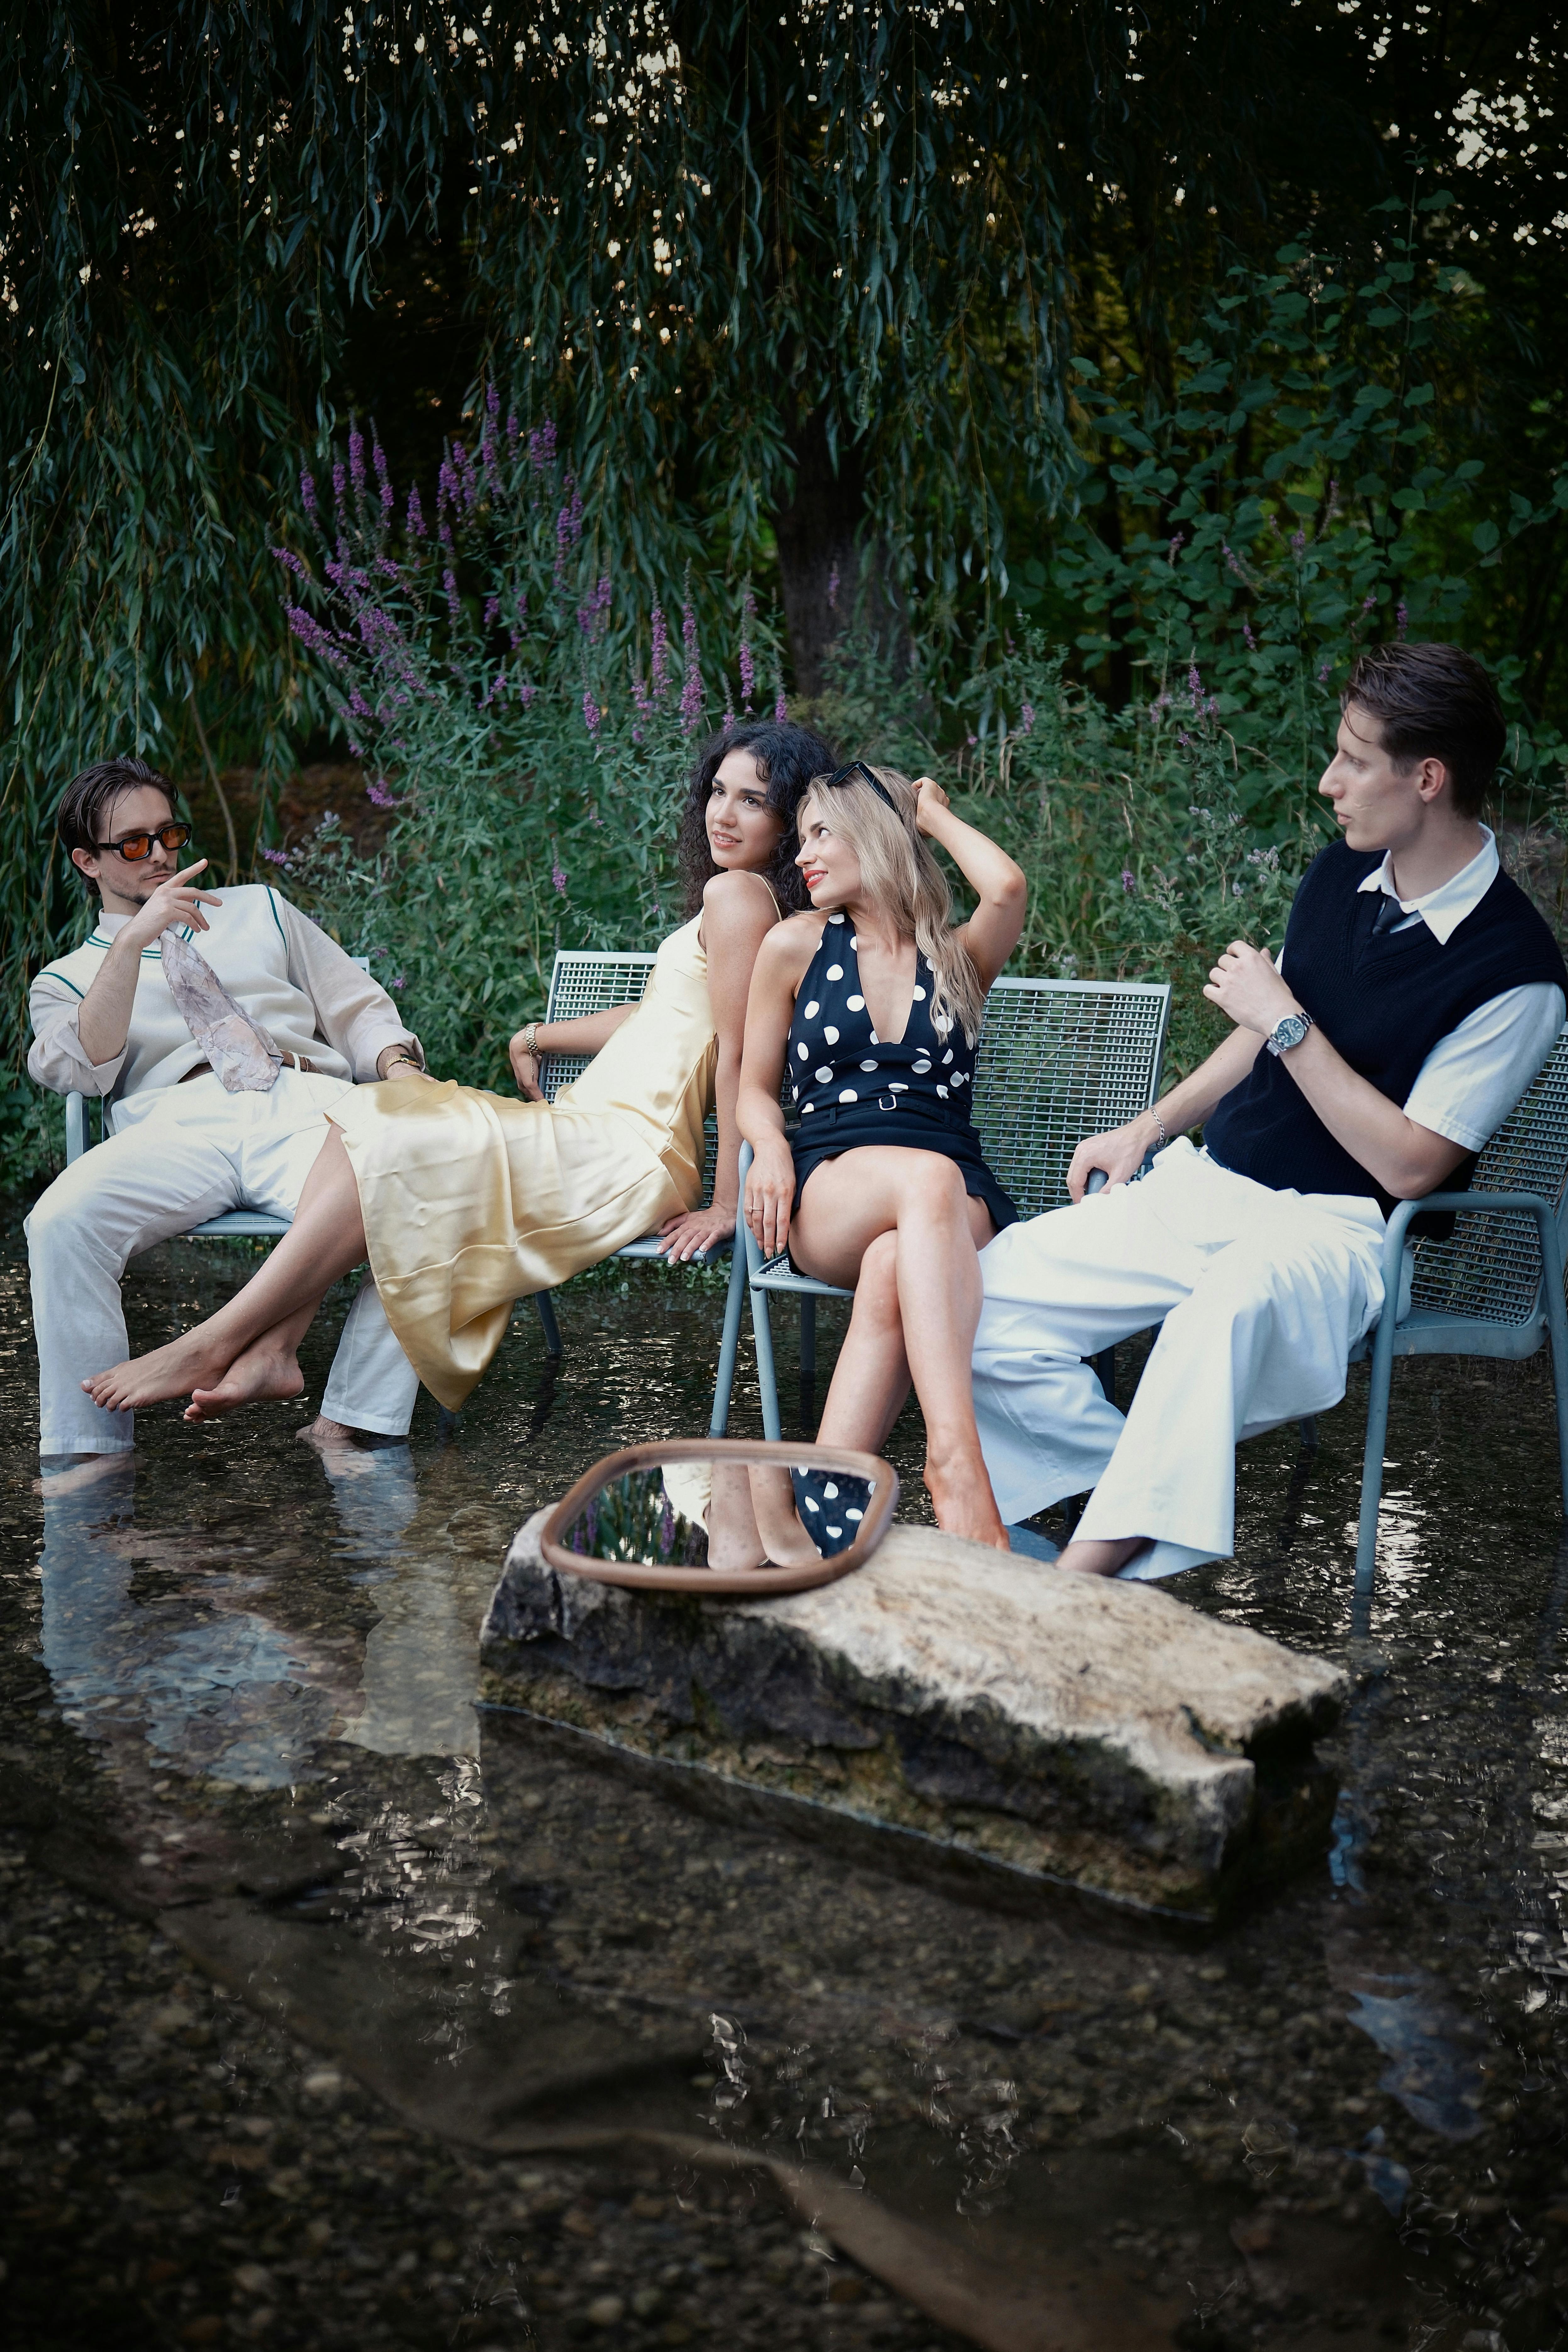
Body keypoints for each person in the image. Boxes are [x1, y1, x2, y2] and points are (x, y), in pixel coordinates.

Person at [963, 639, 1567, 1580]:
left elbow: (1410, 1163)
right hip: (1210, 1185)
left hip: (1344, 1232)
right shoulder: (1338, 876)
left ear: (1427, 779)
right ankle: (1144, 1491)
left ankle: (1080, 1577)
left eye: (1354, 760)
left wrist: (1288, 1021)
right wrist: (1148, 1127)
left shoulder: (1516, 973)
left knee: (1221, 1314)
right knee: (982, 1298)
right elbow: (1259, 1033)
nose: (1330, 782)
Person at [78, 720, 839, 1423]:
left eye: (751, 801)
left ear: (790, 821)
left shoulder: (735, 895)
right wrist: (538, 1035)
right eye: (717, 792)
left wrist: (725, 1203)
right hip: (589, 1130)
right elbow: (664, 1014)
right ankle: (280, 1356)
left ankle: (219, 1341)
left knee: (393, 1125)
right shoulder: (744, 901)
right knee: (375, 1121)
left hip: (628, 1154)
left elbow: (740, 1053)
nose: (722, 815)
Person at [27, 755, 427, 1468]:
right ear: (88, 861)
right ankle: (88, 1456)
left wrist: (399, 1068)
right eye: (134, 844)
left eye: (169, 834)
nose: (160, 854)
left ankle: (352, 1425)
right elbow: (84, 1070)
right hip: (174, 1122)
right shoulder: (64, 979)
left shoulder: (260, 907)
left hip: (304, 1100)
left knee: (420, 1179)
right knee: (58, 1222)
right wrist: (133, 941)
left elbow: (357, 1007)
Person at [738, 761, 1027, 1548]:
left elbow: (1006, 887)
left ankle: (828, 1490)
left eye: (822, 834)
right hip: (835, 1181)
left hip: (953, 1197)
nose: (803, 855)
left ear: (875, 834)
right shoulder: (795, 946)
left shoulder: (958, 958)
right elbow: (754, 1088)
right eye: (801, 838)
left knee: (901, 1250)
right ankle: (955, 1460)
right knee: (924, 1183)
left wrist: (929, 814)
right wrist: (769, 1147)